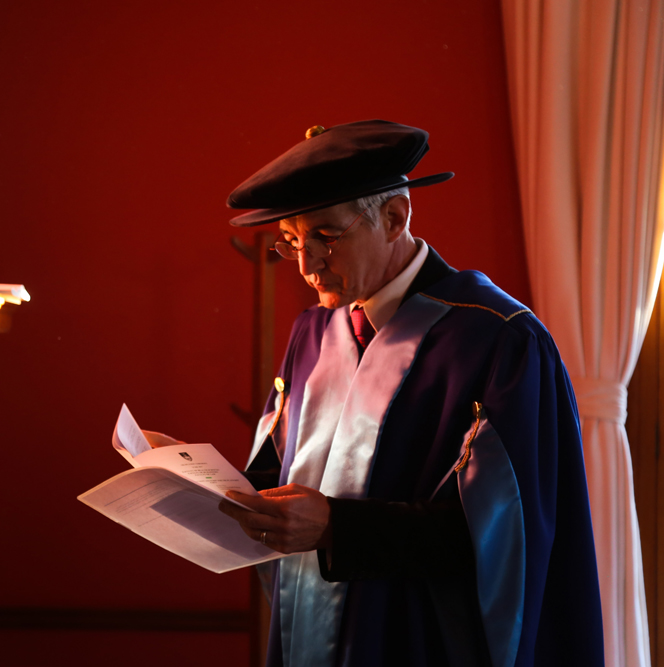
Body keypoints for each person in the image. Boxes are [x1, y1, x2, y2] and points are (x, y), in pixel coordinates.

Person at [216, 120, 604, 666]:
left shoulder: (498, 340)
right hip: (304, 631)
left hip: (417, 638)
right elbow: (277, 478)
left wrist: (336, 527)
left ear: (396, 217)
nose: (306, 265)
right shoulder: (313, 332)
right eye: (291, 241)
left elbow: (505, 542)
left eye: (326, 235)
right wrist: (190, 478)